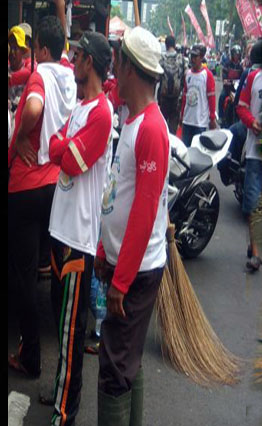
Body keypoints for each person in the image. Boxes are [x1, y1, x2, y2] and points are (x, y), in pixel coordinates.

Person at [94, 26, 169, 426]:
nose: (113, 72)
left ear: (129, 69)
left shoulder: (152, 129)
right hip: (125, 265)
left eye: (117, 63)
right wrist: (106, 251)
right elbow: (116, 193)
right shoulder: (135, 121)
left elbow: (143, 214)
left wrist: (120, 281)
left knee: (113, 368)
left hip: (136, 273)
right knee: (127, 360)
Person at [45, 31, 114, 426]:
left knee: (71, 335)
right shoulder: (81, 108)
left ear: (90, 62)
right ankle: (61, 394)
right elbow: (59, 144)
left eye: (78, 54)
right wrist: (62, 145)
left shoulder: (101, 113)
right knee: (63, 328)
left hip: (78, 239)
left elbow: (68, 159)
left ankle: (65, 412)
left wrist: (61, 145)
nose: (72, 59)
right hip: (62, 230)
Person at [8, 15, 77, 380]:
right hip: (55, 187)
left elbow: (33, 107)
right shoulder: (67, 75)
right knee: (52, 269)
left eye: (33, 49)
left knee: (23, 278)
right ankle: (66, 352)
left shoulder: (41, 77)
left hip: (26, 186)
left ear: (43, 50)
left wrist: (20, 137)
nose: (30, 55)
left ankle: (30, 357)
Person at [235, 39, 262, 272]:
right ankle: (256, 252)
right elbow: (241, 106)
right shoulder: (253, 77)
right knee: (253, 202)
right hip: (256, 151)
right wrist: (252, 122)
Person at [180, 44, 216, 147]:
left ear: (201, 58)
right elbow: (184, 97)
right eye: (192, 56)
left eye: (195, 57)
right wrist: (182, 115)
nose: (193, 59)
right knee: (185, 152)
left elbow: (211, 98)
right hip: (187, 121)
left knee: (197, 152)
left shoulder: (207, 75)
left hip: (200, 123)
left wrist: (212, 118)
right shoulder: (187, 74)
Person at [159, 36, 186, 134]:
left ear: (166, 45)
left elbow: (157, 78)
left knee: (162, 127)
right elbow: (185, 77)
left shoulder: (161, 58)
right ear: (174, 45)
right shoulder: (182, 59)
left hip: (164, 98)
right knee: (173, 129)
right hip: (176, 99)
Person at [8, 25, 35, 107]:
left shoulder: (31, 71)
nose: (12, 52)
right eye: (10, 48)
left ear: (23, 51)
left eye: (15, 48)